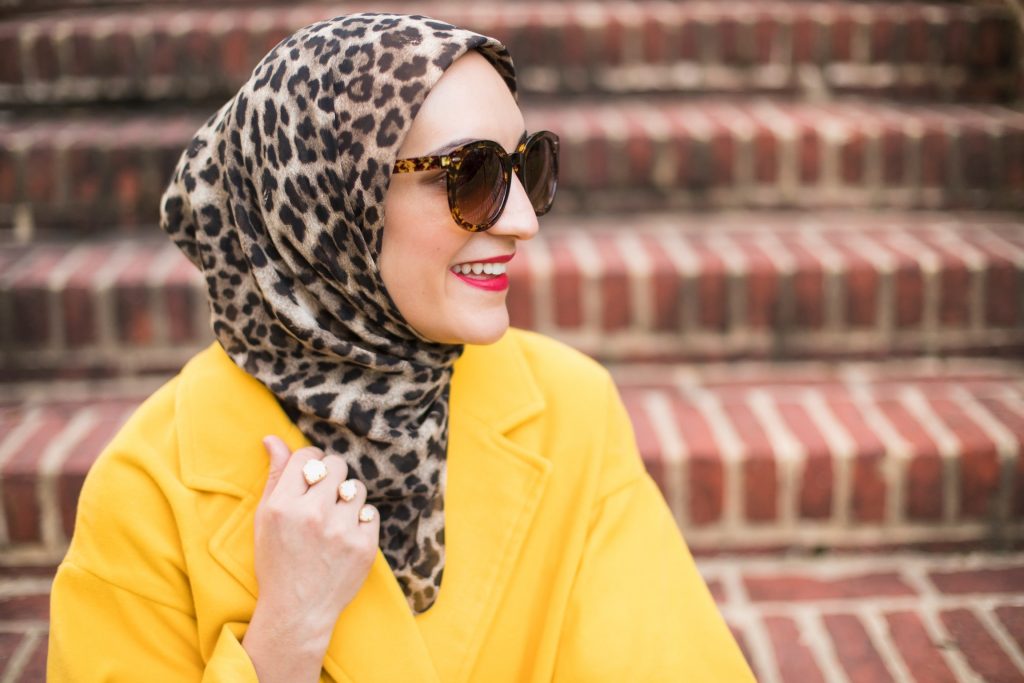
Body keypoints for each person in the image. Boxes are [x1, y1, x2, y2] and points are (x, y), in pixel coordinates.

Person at [47, 13, 755, 682]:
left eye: (527, 165)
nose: (522, 219)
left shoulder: (572, 407)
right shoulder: (146, 491)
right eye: (471, 176)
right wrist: (287, 633)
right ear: (329, 202)